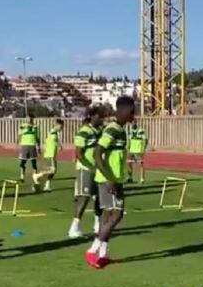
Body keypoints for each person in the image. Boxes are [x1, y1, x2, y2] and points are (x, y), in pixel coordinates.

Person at [86, 96, 136, 268]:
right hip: (109, 180)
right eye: (132, 112)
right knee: (117, 214)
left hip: (115, 179)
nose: (134, 115)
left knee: (108, 216)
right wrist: (108, 179)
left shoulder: (120, 130)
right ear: (123, 111)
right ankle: (93, 250)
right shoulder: (112, 129)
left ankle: (103, 254)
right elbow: (97, 153)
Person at [69, 107, 104, 239]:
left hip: (98, 169)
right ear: (93, 116)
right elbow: (79, 153)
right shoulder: (84, 131)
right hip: (86, 169)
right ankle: (75, 226)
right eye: (100, 117)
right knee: (84, 197)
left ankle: (98, 224)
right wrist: (91, 167)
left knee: (100, 198)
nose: (102, 120)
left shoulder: (100, 131)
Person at [35, 118, 64, 192]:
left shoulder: (55, 133)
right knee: (52, 170)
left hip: (52, 154)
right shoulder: (52, 131)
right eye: (61, 127)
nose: (61, 129)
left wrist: (59, 145)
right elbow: (51, 138)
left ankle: (47, 186)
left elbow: (54, 140)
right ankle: (37, 176)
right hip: (50, 154)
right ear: (57, 125)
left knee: (53, 171)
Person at [18, 114, 40, 187]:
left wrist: (38, 147)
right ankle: (22, 176)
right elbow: (19, 134)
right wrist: (25, 129)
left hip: (32, 146)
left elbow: (37, 137)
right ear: (26, 119)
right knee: (22, 162)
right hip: (24, 145)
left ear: (33, 119)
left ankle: (35, 178)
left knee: (34, 163)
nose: (29, 120)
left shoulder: (35, 126)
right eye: (28, 118)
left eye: (31, 118)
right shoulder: (23, 125)